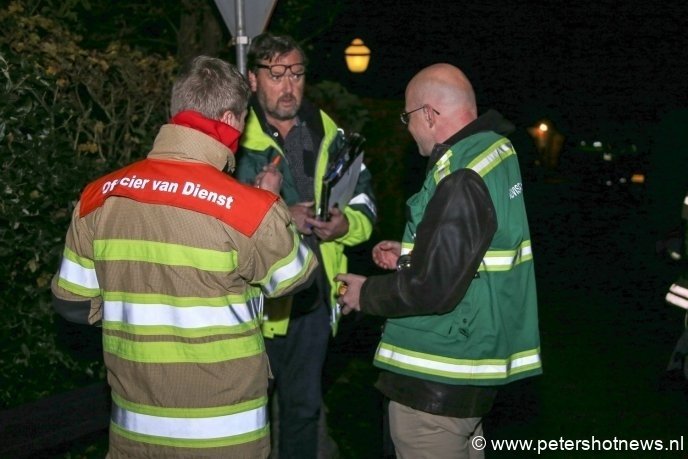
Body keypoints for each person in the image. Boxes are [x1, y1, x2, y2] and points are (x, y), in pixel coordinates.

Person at [50, 55, 318, 458]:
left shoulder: (98, 196)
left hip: (134, 436)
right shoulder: (249, 209)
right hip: (225, 440)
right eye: (243, 120)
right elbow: (299, 279)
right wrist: (272, 206)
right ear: (229, 121)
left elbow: (70, 304)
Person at [336, 63, 542, 459]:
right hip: (469, 372)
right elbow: (472, 252)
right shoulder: (494, 153)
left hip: (437, 385)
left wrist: (366, 294)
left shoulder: (462, 174)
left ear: (429, 114)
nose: (407, 127)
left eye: (408, 117)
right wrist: (414, 253)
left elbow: (433, 287)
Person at [235, 33, 377, 458]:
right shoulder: (234, 137)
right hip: (252, 304)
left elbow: (366, 202)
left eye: (296, 73)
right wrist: (282, 217)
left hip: (311, 302)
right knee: (245, 416)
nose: (289, 85)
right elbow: (217, 216)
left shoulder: (327, 134)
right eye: (276, 74)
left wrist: (344, 224)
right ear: (254, 80)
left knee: (302, 410)